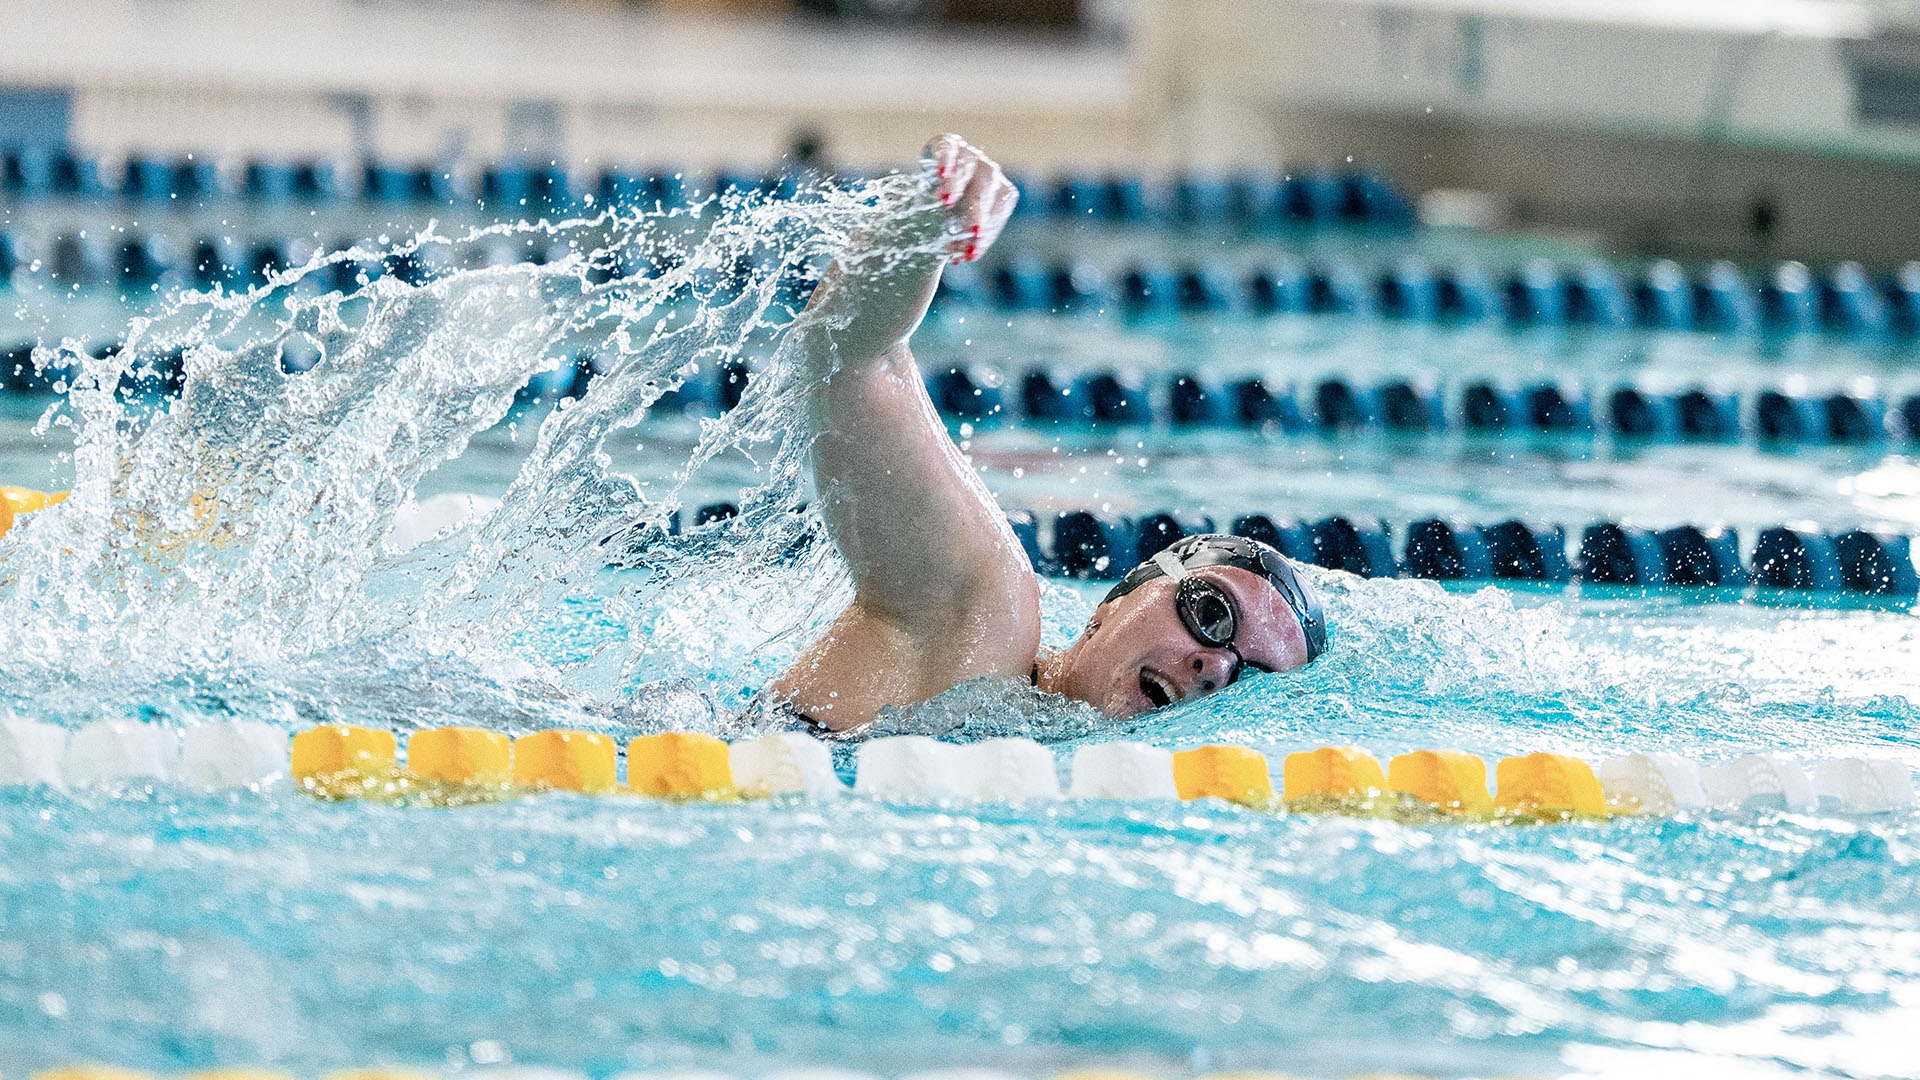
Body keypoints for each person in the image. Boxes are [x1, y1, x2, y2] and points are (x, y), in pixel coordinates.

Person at [768, 135, 1327, 731]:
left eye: (1250, 680)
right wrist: (926, 224)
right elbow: (848, 356)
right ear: (1115, 603)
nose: (1214, 667)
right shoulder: (979, 623)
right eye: (1211, 613)